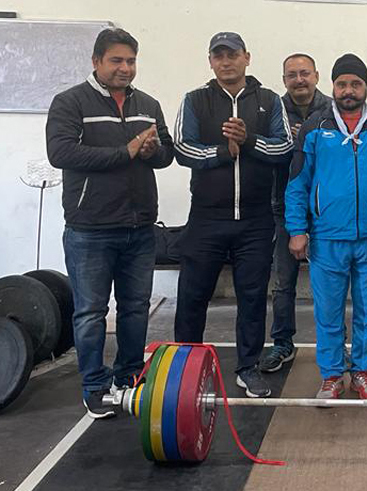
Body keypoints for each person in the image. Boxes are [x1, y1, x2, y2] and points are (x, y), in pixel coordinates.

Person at [45, 28, 174, 418]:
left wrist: (152, 151)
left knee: (135, 308)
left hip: (140, 227)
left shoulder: (148, 104)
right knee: (90, 312)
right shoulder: (70, 102)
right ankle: (95, 387)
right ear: (96, 61)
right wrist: (127, 150)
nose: (125, 68)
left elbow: (166, 154)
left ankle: (130, 377)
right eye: (116, 60)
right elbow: (61, 153)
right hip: (90, 229)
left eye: (131, 61)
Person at [173, 32, 293, 398]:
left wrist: (249, 140)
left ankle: (247, 368)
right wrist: (223, 152)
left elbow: (285, 148)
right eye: (219, 55)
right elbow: (182, 149)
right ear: (211, 61)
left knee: (252, 298)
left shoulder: (269, 100)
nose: (226, 61)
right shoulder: (195, 100)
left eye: (233, 54)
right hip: (206, 218)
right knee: (193, 296)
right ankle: (185, 368)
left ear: (247, 57)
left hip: (255, 220)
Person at [285, 53, 367, 400]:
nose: (349, 90)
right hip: (327, 238)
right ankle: (331, 375)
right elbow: (297, 183)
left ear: (366, 86)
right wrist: (297, 229)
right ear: (333, 86)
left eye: (356, 83)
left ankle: (363, 373)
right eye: (342, 84)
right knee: (328, 311)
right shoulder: (315, 128)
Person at [260, 53, 332, 373]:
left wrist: (307, 138)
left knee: (331, 284)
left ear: (316, 76)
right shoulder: (272, 111)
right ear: (284, 80)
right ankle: (282, 343)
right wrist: (288, 141)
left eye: (305, 73)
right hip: (284, 208)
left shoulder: (332, 110)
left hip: (326, 209)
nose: (299, 80)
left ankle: (334, 345)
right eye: (292, 75)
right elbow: (263, 151)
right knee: (283, 282)